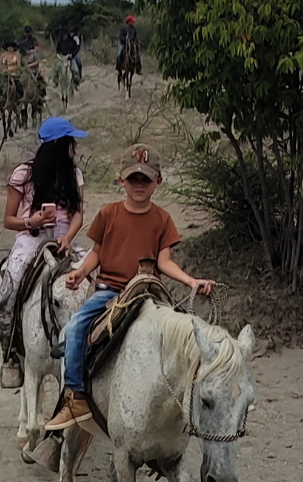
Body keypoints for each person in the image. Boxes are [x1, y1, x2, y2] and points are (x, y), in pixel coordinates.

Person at [44, 143, 216, 430]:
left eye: (146, 179)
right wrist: (80, 272)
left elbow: (164, 261)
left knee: (183, 335)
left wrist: (191, 281)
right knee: (75, 328)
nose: (139, 185)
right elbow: (97, 253)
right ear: (121, 179)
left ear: (157, 182)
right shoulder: (109, 214)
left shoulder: (162, 219)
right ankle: (76, 398)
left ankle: (188, 402)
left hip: (148, 292)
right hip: (110, 291)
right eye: (133, 178)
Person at [0, 117, 87, 380]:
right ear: (60, 144)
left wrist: (69, 236)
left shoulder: (74, 174)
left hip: (64, 239)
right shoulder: (23, 174)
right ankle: (10, 350)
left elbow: (79, 214)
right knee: (10, 285)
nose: (75, 148)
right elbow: (8, 219)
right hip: (31, 238)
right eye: (71, 142)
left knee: (94, 279)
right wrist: (31, 221)